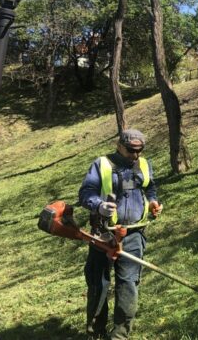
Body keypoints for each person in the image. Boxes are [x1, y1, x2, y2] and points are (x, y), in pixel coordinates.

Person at [78, 129, 162, 340]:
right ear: (119, 145)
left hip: (134, 234)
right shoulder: (102, 164)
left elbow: (150, 187)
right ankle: (95, 333)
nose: (135, 155)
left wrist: (153, 202)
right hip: (103, 234)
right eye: (131, 151)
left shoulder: (143, 164)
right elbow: (86, 193)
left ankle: (119, 336)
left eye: (139, 151)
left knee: (128, 284)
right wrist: (98, 206)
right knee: (99, 284)